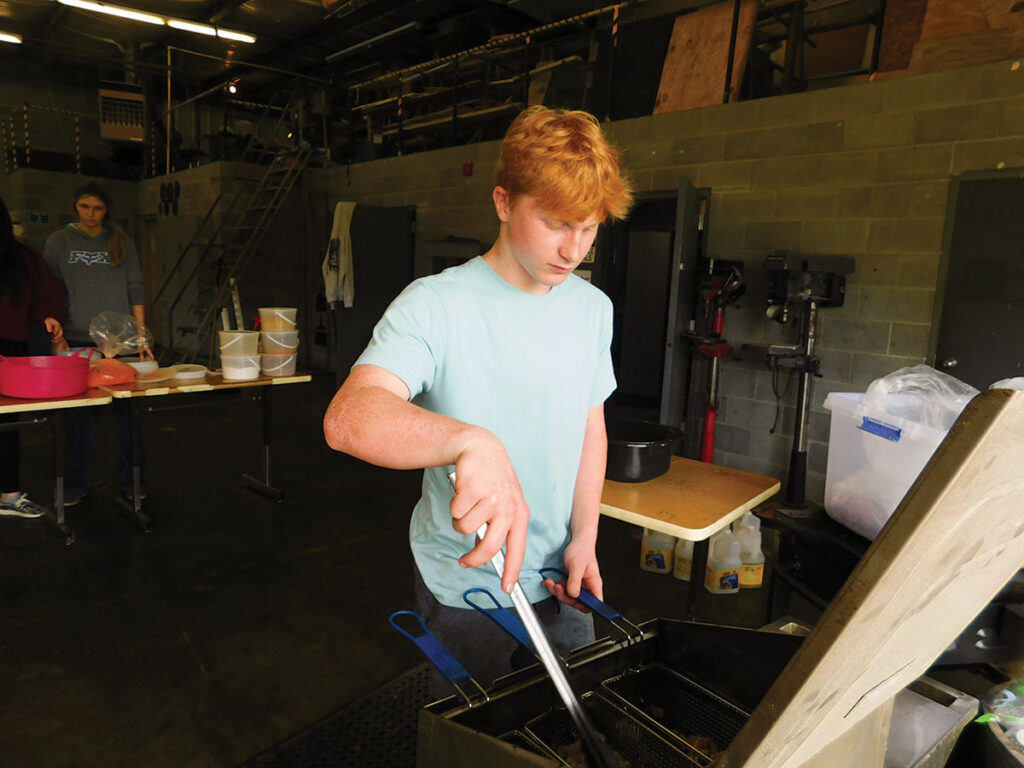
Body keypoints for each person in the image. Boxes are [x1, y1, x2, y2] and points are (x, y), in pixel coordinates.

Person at [324, 106, 633, 693]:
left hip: (564, 577)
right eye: (556, 223)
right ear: (502, 202)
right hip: (465, 584)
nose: (574, 250)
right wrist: (468, 440)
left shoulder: (593, 308)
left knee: (574, 727)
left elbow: (589, 428)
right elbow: (349, 417)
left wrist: (586, 537)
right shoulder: (437, 304)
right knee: (474, 740)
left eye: (589, 227)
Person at [44, 182, 153, 506]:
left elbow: (136, 287)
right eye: (84, 207)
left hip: (121, 342)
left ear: (107, 211)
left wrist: (141, 333)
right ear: (75, 207)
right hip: (77, 339)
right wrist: (56, 333)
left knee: (128, 417)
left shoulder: (120, 240)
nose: (91, 214)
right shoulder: (59, 241)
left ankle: (133, 481)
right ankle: (76, 483)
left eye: (98, 208)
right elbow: (50, 289)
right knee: (78, 419)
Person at [0, 195, 68, 518]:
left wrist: (49, 315)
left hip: (11, 350)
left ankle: (8, 494)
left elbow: (45, 293)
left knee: (7, 424)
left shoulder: (23, 255)